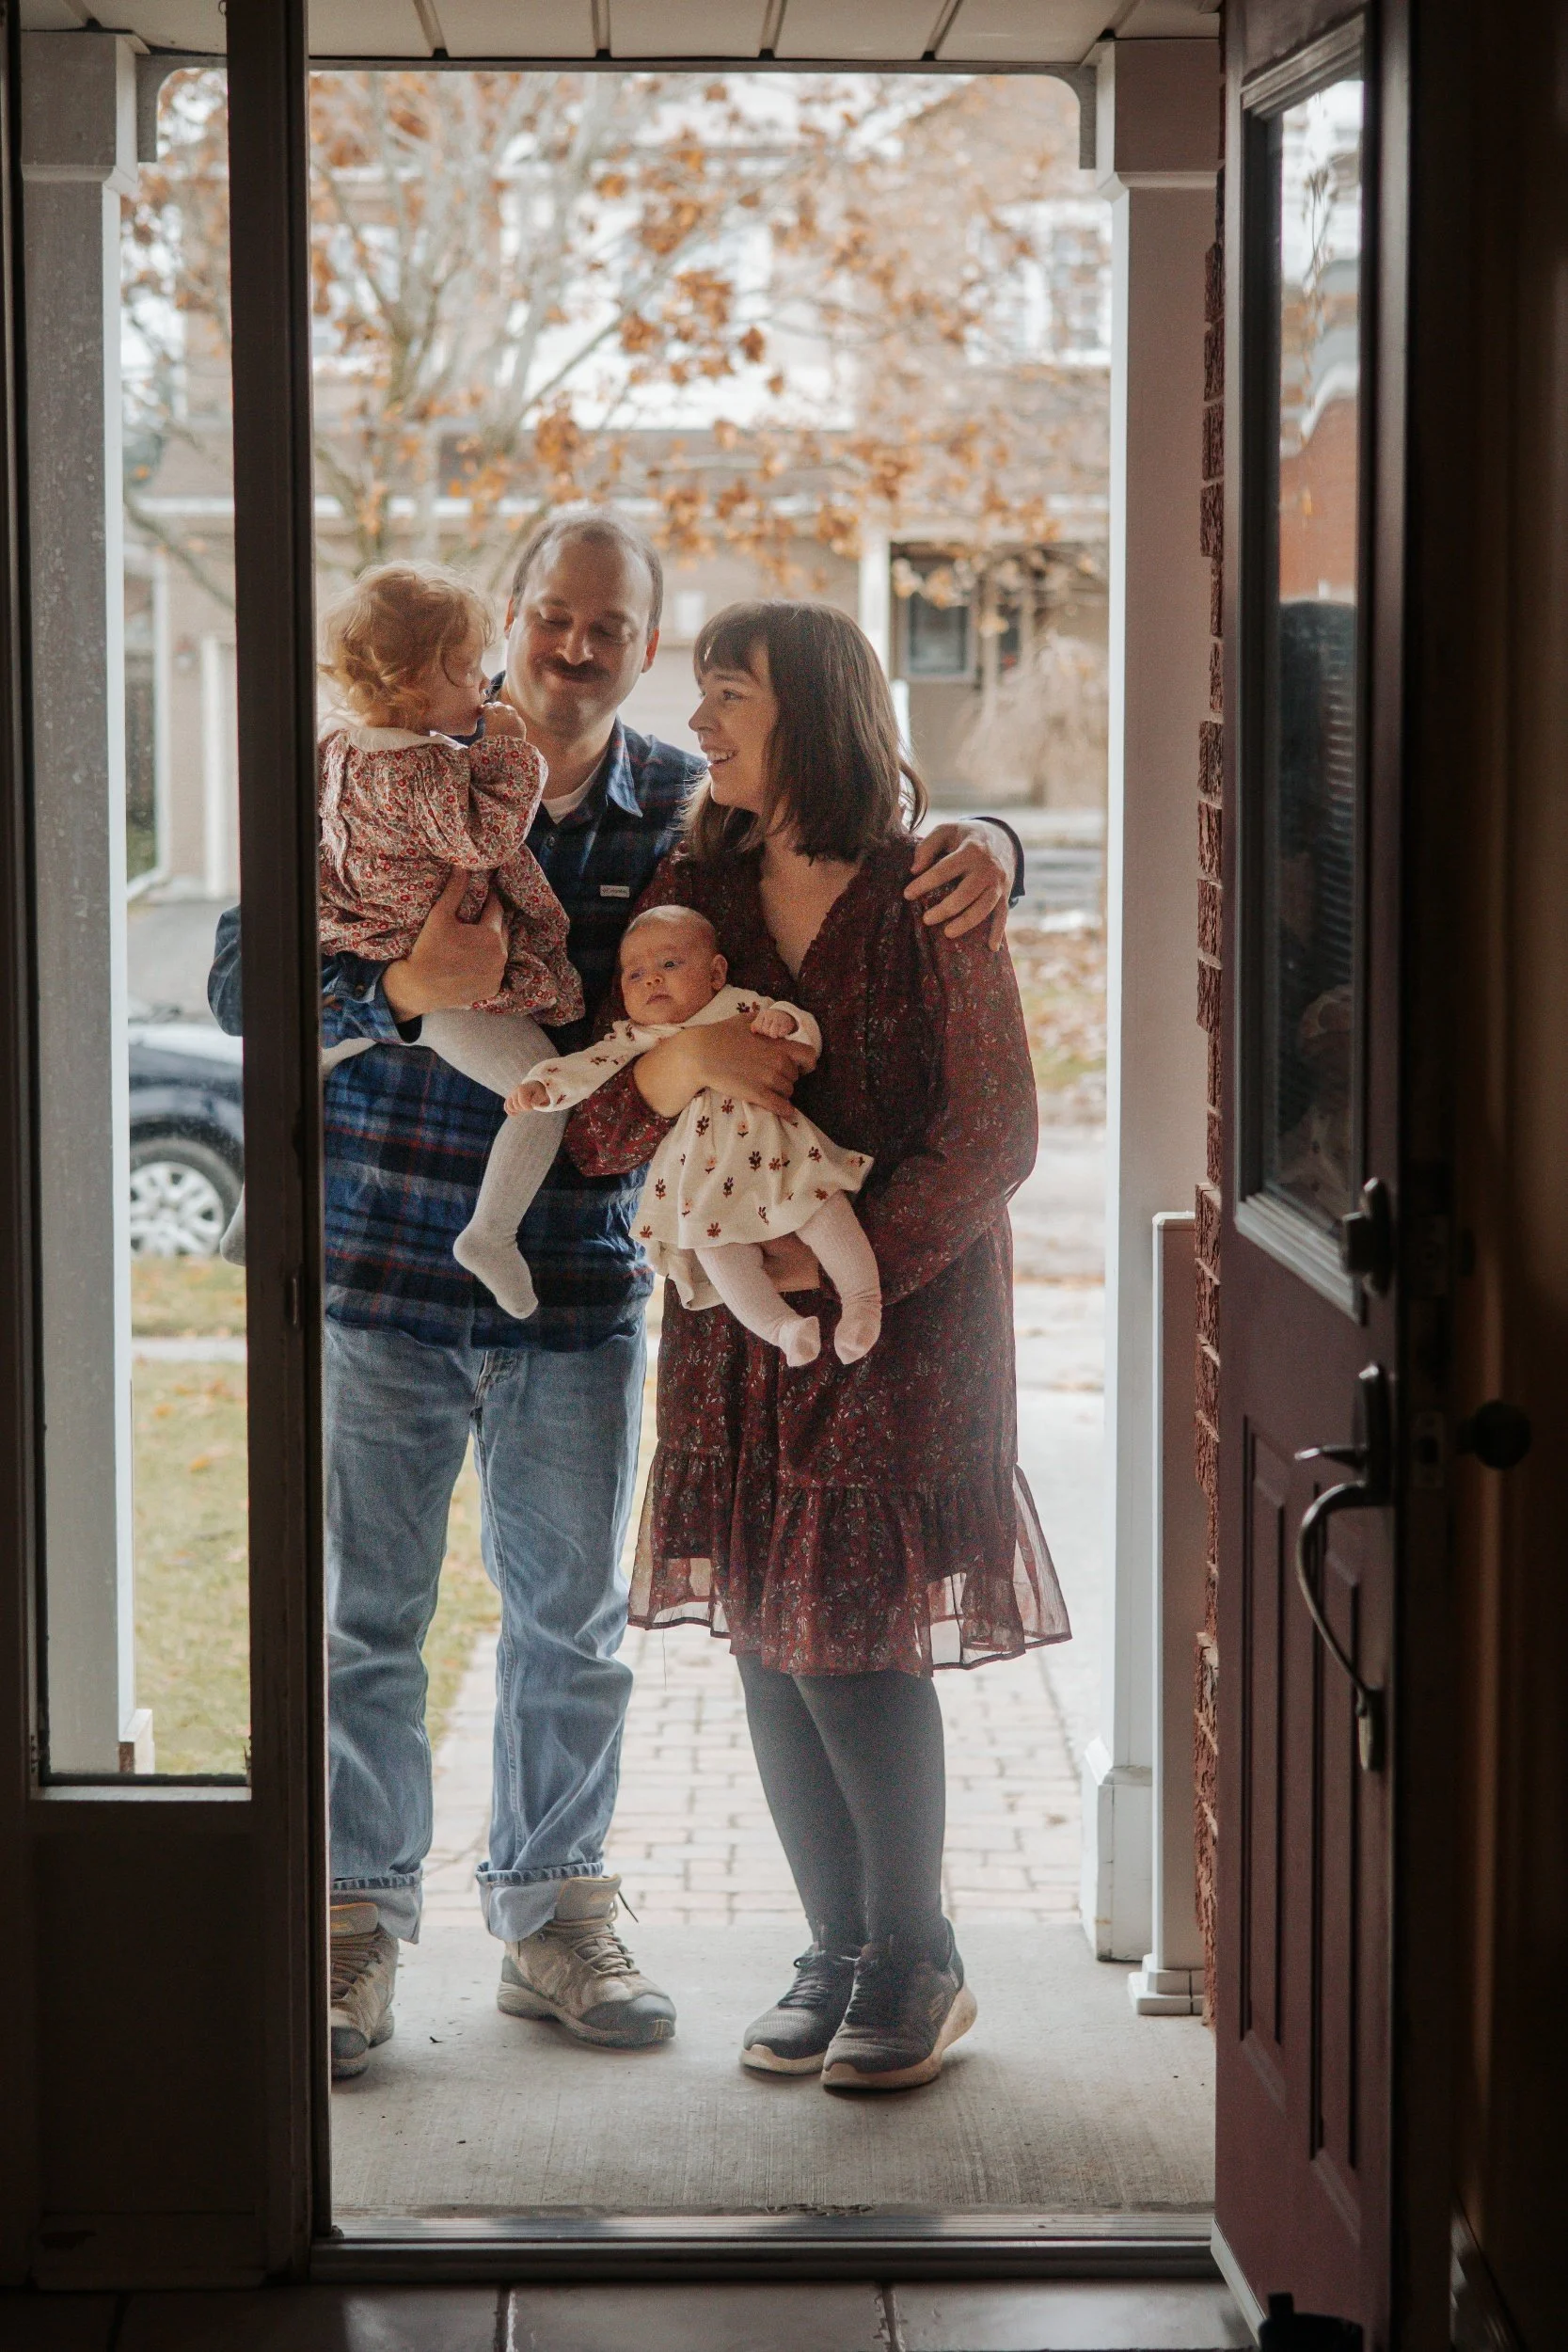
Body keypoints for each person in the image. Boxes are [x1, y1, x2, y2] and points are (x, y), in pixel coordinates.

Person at [208, 509, 1025, 2081]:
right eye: (552, 614)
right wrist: (393, 996)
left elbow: (863, 830)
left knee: (571, 1621)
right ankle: (353, 1926)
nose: (577, 644)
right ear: (507, 619)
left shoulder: (678, 815)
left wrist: (985, 838)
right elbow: (249, 987)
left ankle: (556, 1915)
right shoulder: (348, 768)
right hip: (382, 1256)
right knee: (368, 1620)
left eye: (613, 624)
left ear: (641, 648)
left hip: (581, 1284)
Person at [567, 599, 1069, 2095]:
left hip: (900, 1331)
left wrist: (818, 1255)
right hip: (730, 1346)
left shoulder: (930, 889)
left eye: (728, 694)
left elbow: (992, 1134)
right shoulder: (689, 880)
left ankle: (918, 1959)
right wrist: (670, 1065)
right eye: (701, 692)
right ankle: (835, 1948)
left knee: (848, 1648)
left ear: (816, 714)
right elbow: (601, 1125)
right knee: (766, 1652)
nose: (700, 720)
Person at [223, 560, 583, 1320]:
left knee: (295, 1071)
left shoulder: (334, 752)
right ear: (416, 679)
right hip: (443, 990)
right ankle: (489, 1233)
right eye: (470, 673)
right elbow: (481, 838)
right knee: (544, 1089)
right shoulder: (425, 769)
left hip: (358, 958)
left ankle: (256, 1208)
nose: (486, 689)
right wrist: (514, 755)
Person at [512, 902, 879, 1368]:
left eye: (669, 964)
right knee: (717, 1252)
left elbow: (803, 1038)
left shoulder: (739, 1006)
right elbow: (587, 1068)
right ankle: (782, 1329)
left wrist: (786, 1024)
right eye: (635, 974)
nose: (651, 980)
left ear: (715, 972)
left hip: (775, 1151)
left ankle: (863, 1303)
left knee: (825, 1209)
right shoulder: (637, 1037)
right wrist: (544, 1086)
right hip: (699, 1177)